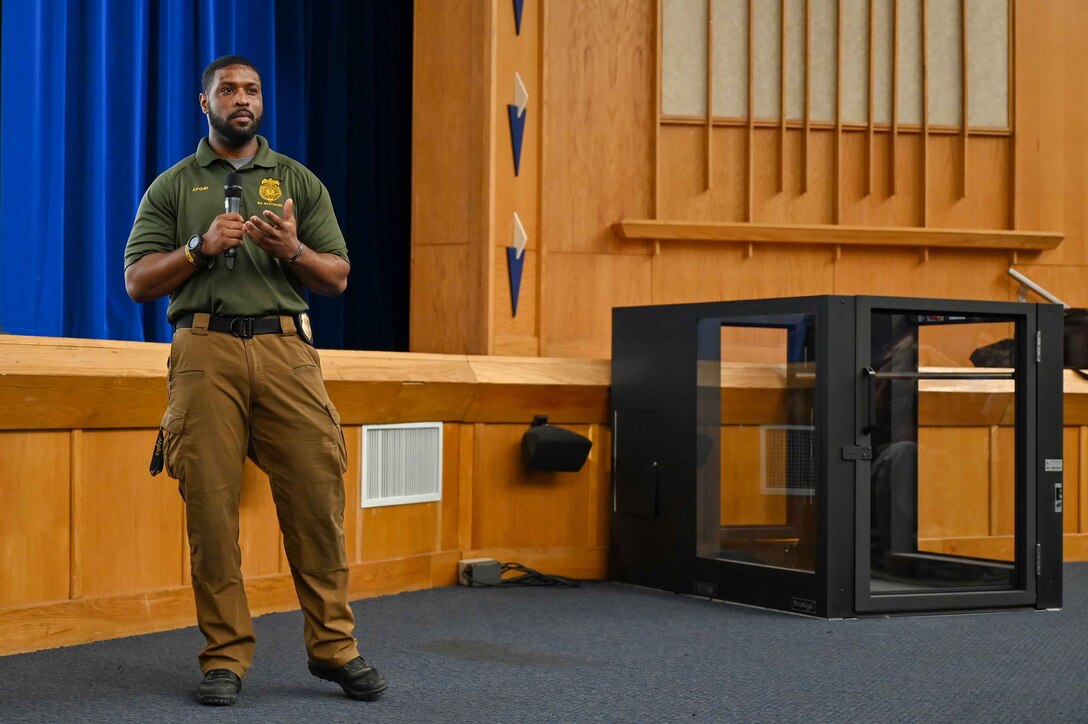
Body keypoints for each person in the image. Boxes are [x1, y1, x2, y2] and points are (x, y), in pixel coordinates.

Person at [124, 55, 386, 706]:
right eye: (228, 91)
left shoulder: (297, 181)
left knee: (317, 501)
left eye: (252, 90)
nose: (242, 99)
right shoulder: (173, 187)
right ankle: (224, 658)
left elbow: (337, 276)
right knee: (211, 513)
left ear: (261, 103)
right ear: (204, 103)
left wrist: (292, 250)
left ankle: (334, 648)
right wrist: (198, 249)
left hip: (286, 351)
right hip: (204, 350)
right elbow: (136, 282)